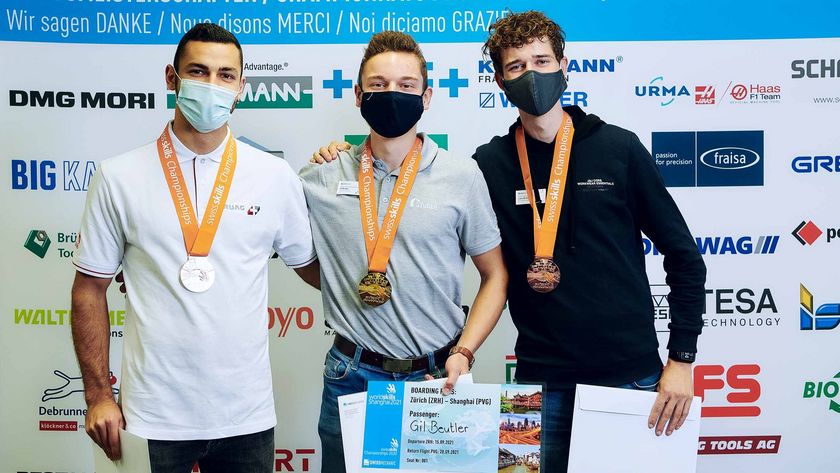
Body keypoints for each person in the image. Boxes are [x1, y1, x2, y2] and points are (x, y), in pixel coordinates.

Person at [313, 11, 706, 473]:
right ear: (500, 82)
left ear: (564, 67)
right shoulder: (488, 165)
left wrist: (682, 359)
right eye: (517, 67)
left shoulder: (619, 149)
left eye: (542, 61)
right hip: (534, 386)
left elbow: (684, 258)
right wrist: (339, 156)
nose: (531, 75)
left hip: (631, 380)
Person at [70, 23, 319, 473]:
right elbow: (89, 289)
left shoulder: (273, 175)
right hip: (151, 416)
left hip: (246, 415)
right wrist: (98, 395)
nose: (212, 85)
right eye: (198, 71)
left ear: (241, 88)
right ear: (172, 78)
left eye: (226, 75)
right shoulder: (118, 176)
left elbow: (315, 269)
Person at [298, 31, 508, 473]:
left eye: (406, 85)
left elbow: (495, 276)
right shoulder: (320, 177)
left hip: (437, 377)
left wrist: (465, 352)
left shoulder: (462, 175)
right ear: (359, 95)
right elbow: (298, 255)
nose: (391, 94)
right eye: (378, 85)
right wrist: (342, 282)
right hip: (352, 377)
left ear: (426, 97)